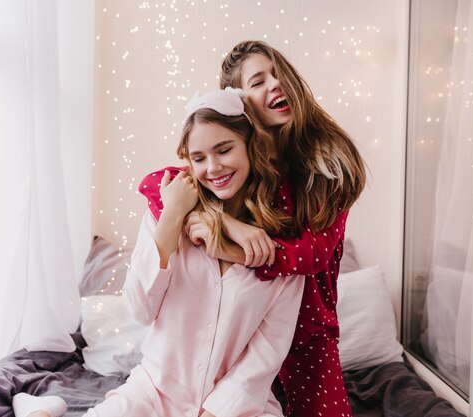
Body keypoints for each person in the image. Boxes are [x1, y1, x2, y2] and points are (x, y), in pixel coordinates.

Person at [12, 89, 306, 417]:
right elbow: (140, 309)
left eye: (224, 150)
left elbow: (267, 352)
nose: (213, 167)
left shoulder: (285, 244)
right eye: (199, 158)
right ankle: (40, 410)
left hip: (238, 407)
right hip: (153, 391)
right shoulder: (164, 217)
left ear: (251, 146)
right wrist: (171, 217)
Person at [139, 41, 367, 417]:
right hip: (241, 335)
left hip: (306, 335)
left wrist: (231, 248)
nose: (275, 85)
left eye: (279, 75)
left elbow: (311, 255)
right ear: (241, 103)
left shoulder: (329, 163)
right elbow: (156, 185)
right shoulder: (237, 163)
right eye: (259, 81)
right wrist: (226, 221)